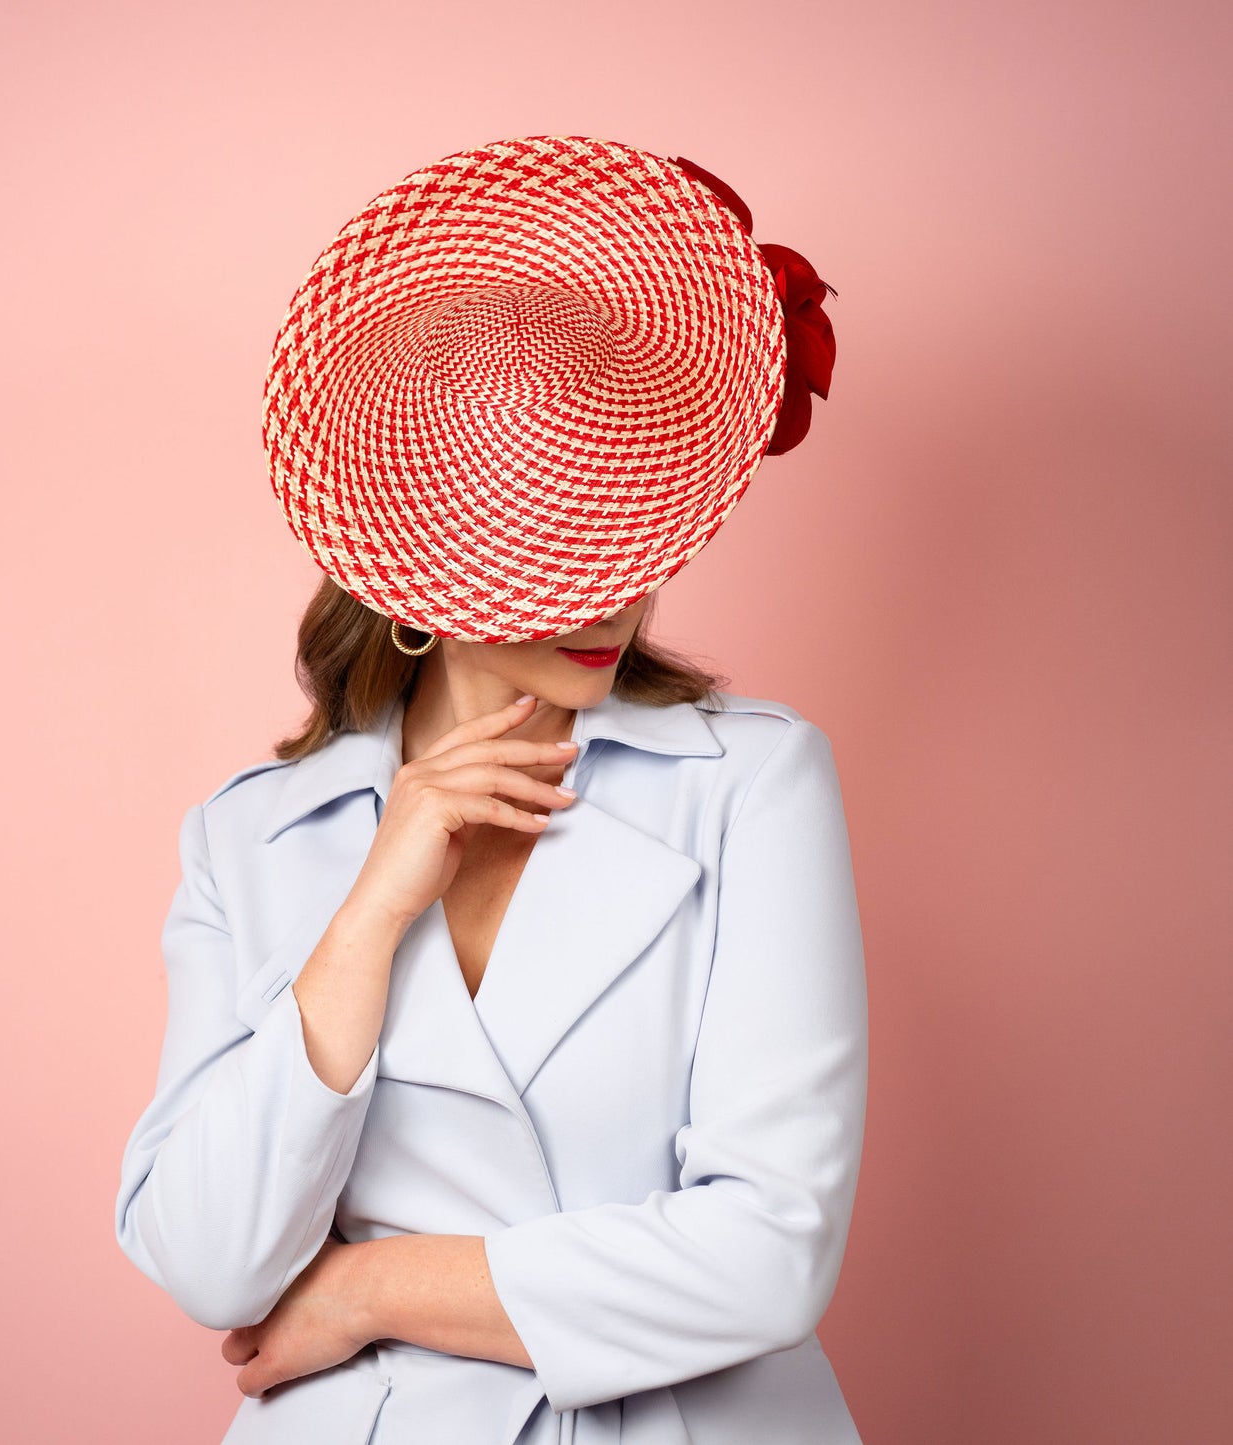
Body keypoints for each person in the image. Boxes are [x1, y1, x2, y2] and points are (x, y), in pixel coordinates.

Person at [115, 135, 867, 1444]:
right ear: (413, 564)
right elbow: (209, 1262)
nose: (615, 593)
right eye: (554, 542)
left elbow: (772, 1247)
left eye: (637, 523)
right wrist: (366, 916)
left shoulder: (753, 778)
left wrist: (368, 1284)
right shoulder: (249, 836)